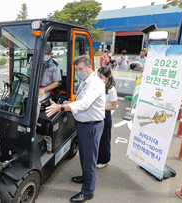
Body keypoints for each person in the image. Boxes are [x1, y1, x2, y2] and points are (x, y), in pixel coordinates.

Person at [45, 55, 105, 202]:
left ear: (89, 67)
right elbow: (80, 100)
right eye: (76, 69)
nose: (78, 72)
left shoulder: (95, 84)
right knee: (84, 156)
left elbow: (84, 104)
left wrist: (61, 107)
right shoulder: (86, 81)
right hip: (84, 125)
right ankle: (85, 178)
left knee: (89, 160)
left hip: (92, 126)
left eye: (80, 69)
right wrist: (70, 102)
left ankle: (88, 191)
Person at [97, 66, 117, 169]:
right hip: (96, 113)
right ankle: (97, 157)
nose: (98, 77)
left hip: (105, 114)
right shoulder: (97, 85)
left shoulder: (111, 89)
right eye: (98, 75)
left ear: (107, 77)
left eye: (100, 75)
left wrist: (102, 108)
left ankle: (104, 160)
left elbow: (113, 106)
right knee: (97, 138)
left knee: (104, 138)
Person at [37, 42, 62, 121]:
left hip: (46, 90)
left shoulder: (54, 66)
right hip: (34, 87)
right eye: (45, 52)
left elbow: (57, 83)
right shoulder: (35, 62)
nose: (47, 54)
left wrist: (44, 90)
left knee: (36, 100)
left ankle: (32, 125)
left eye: (49, 52)